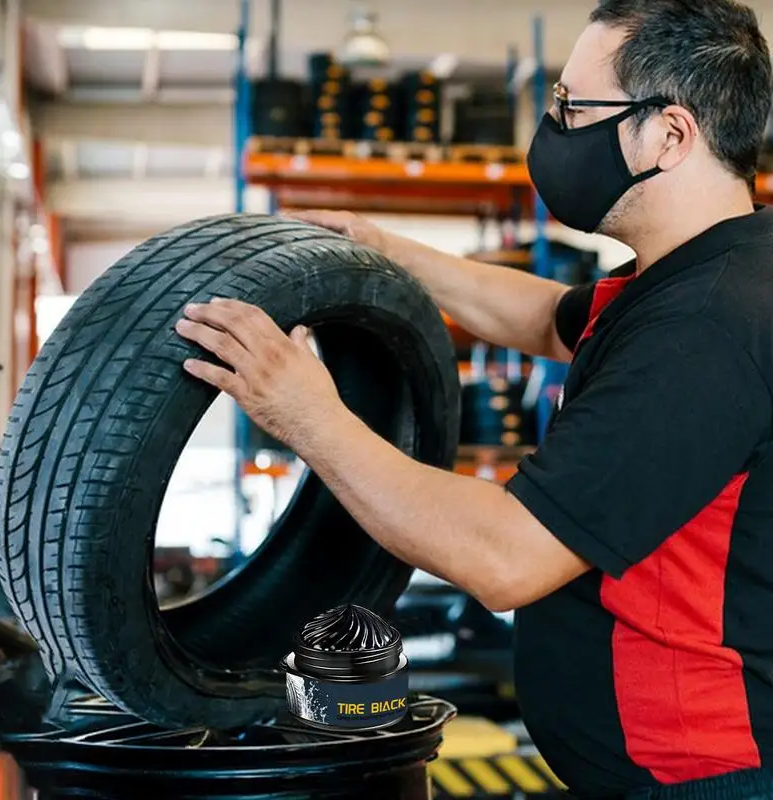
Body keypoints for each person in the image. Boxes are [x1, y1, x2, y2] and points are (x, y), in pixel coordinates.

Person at [175, 1, 773, 797]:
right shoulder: (706, 270)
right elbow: (542, 316)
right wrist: (384, 251)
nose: (555, 132)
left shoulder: (705, 328)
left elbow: (505, 558)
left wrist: (306, 412)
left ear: (668, 135)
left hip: (698, 779)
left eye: (572, 108)